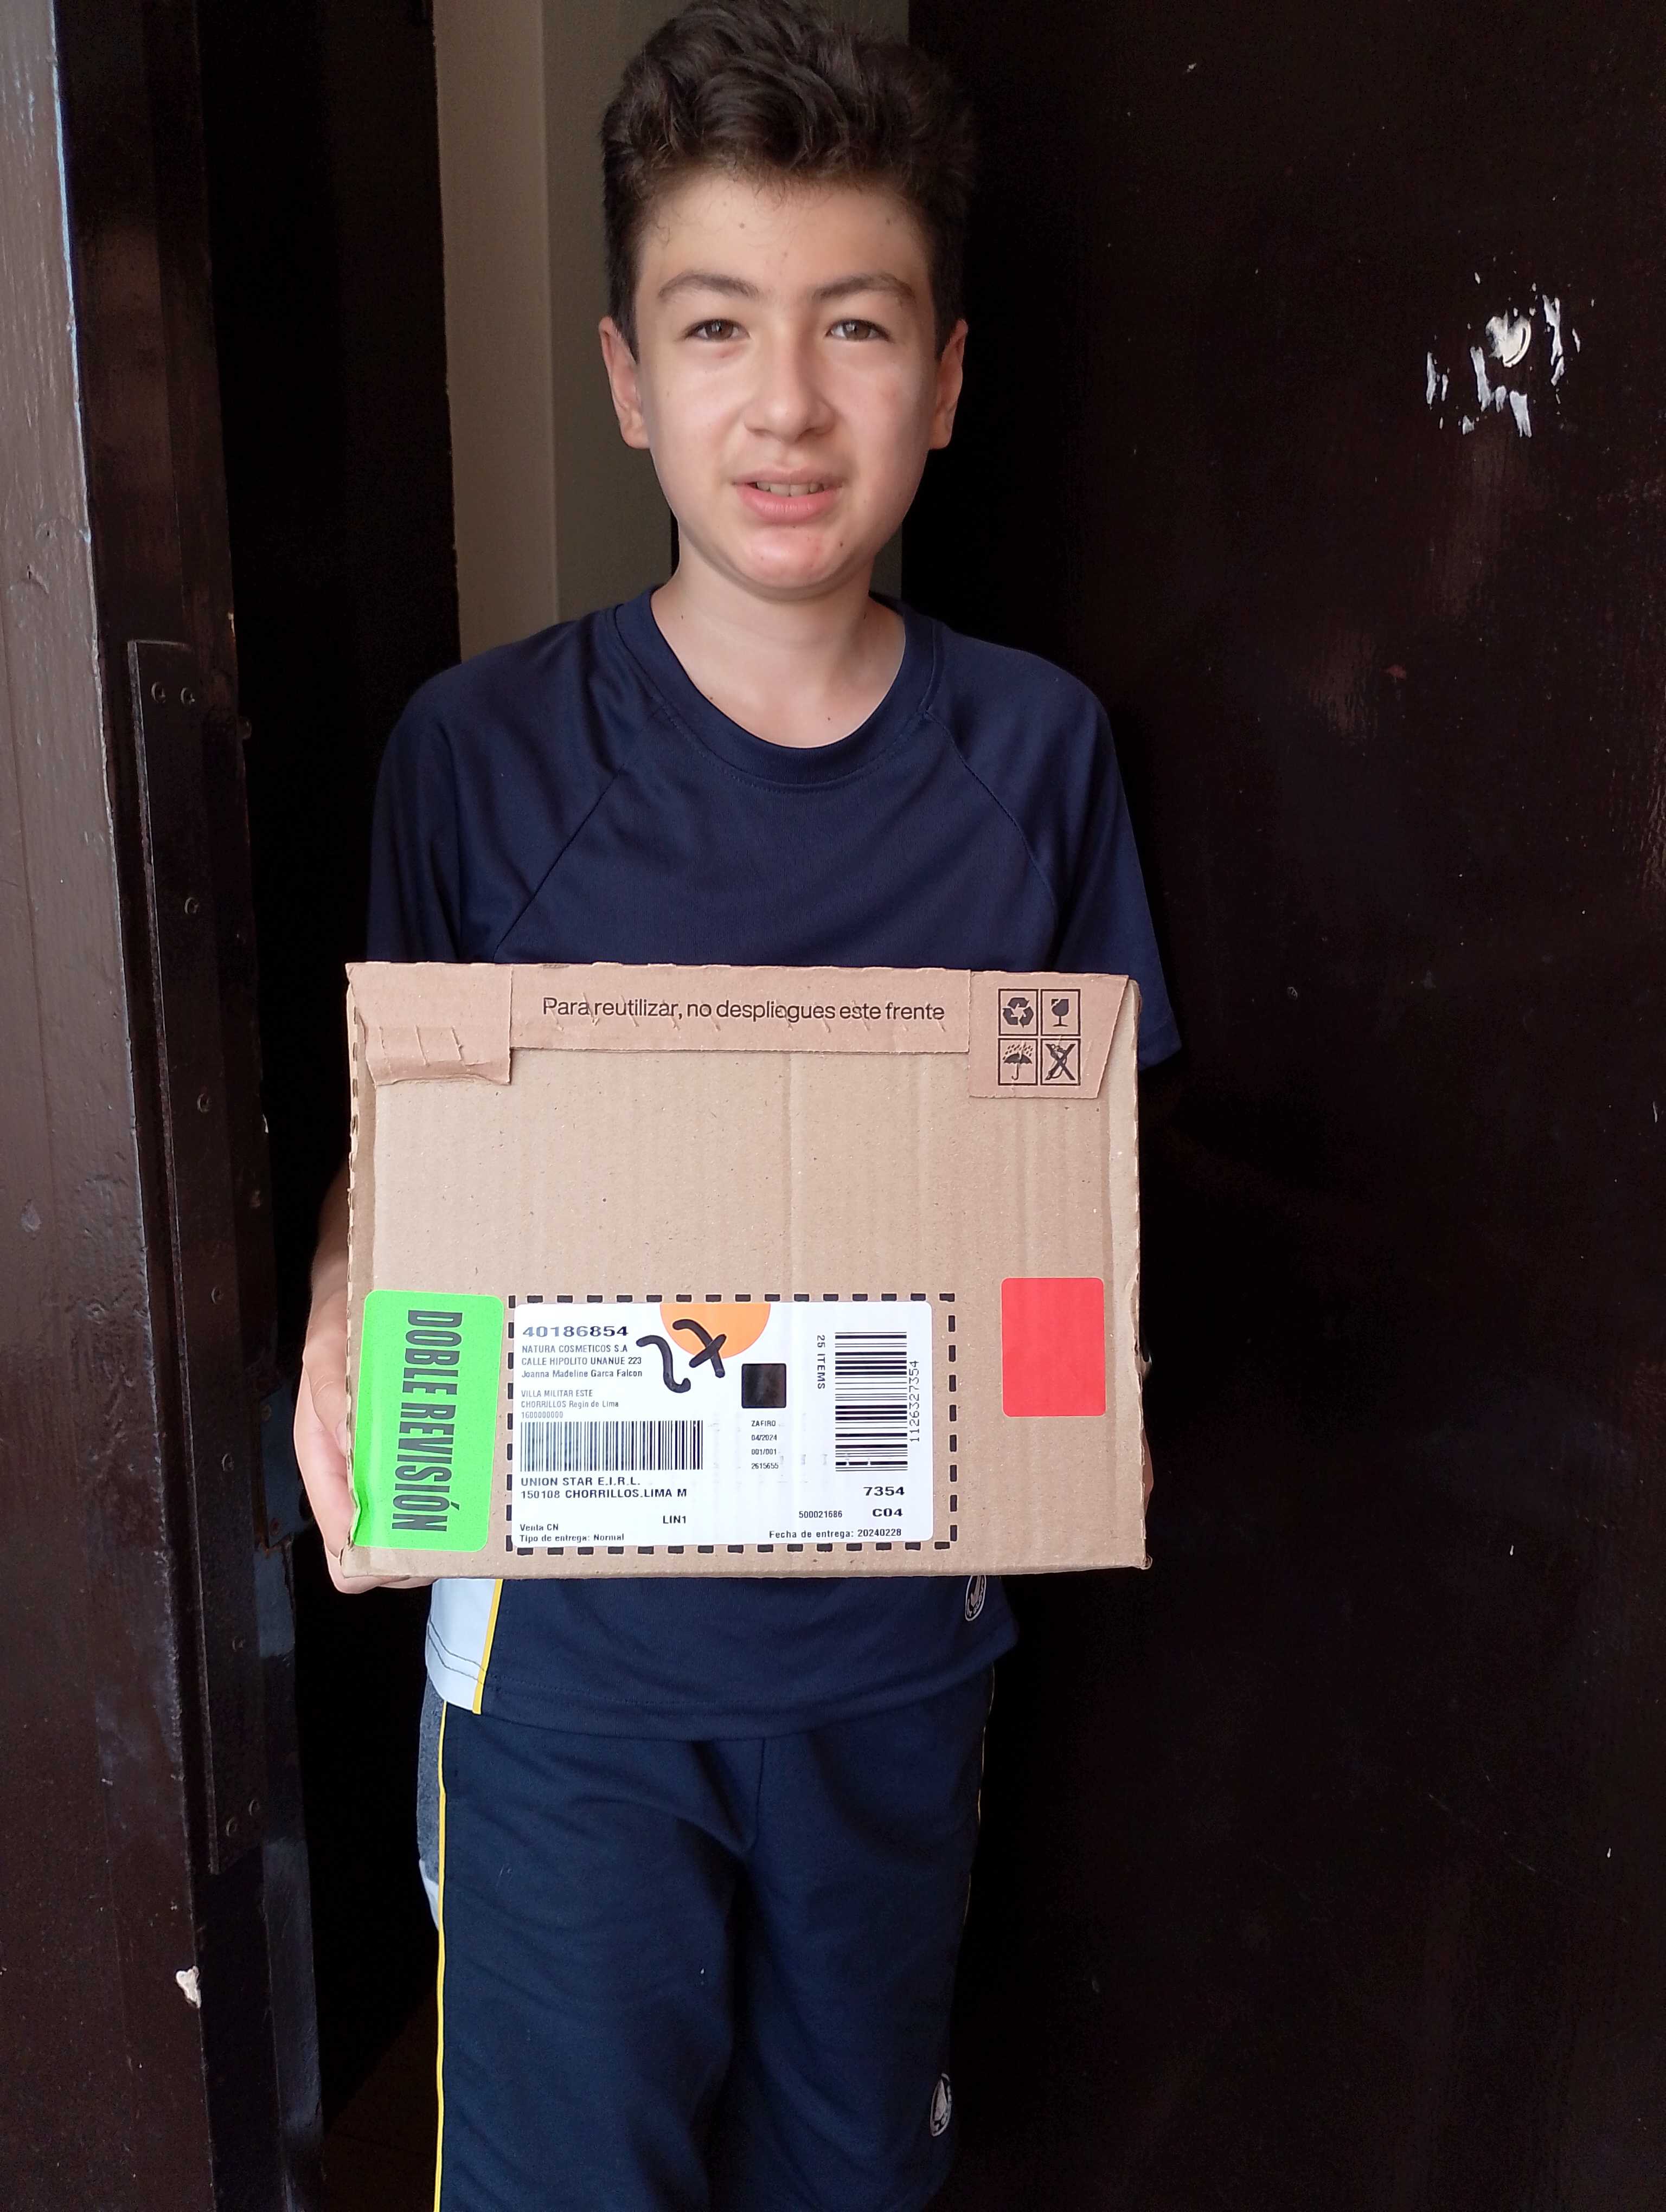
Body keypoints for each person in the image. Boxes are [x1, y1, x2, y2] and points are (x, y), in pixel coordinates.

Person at [293, 4, 1179, 2205]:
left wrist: (1078, 1393)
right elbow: (407, 1159)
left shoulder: (1037, 754)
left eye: (855, 327)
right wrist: (338, 1304)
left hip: (899, 1664)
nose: (787, 401)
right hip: (562, 1678)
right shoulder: (482, 757)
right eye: (716, 326)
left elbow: (1073, 1209)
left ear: (945, 378)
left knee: (849, 2165)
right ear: (626, 377)